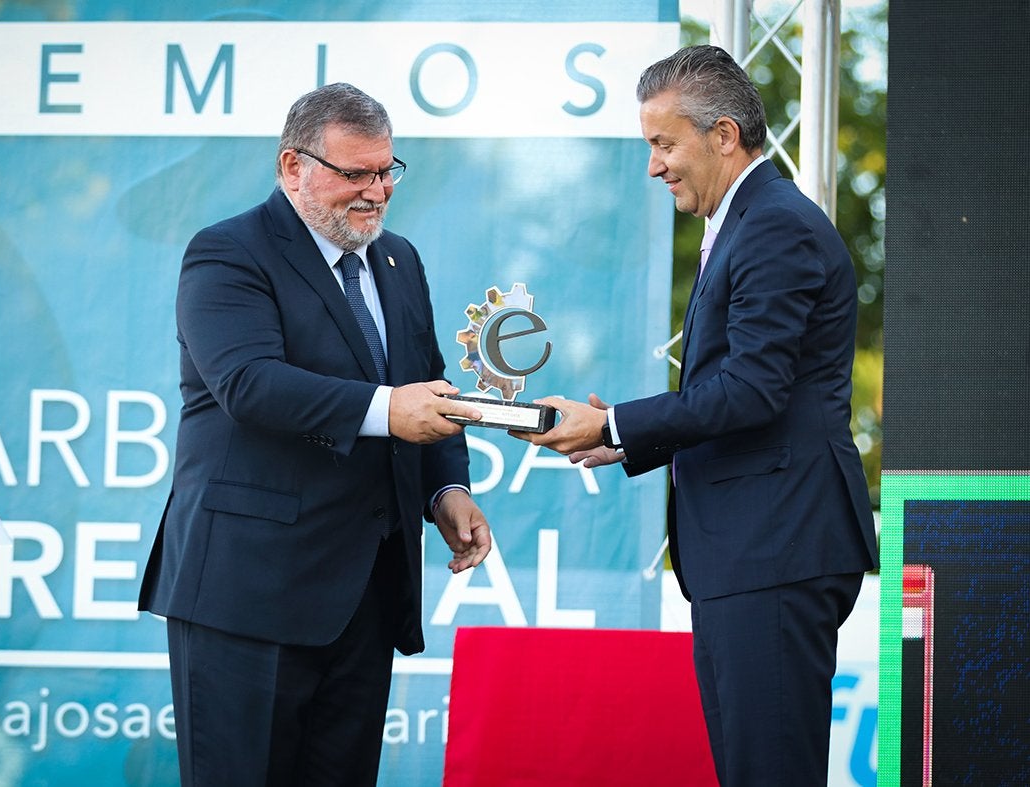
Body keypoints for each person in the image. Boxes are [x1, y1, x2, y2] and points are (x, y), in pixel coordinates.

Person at [515, 46, 879, 785]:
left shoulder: (773, 225)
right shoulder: (748, 221)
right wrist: (620, 435)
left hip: (775, 546)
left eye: (663, 143)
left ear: (722, 136)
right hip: (753, 550)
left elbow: (751, 389)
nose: (653, 166)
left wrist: (615, 425)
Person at [138, 82, 492, 787]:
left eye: (386, 170)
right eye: (353, 173)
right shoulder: (227, 253)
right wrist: (387, 409)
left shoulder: (400, 261)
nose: (375, 192)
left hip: (364, 596)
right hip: (249, 594)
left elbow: (429, 384)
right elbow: (248, 383)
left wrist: (446, 489)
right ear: (291, 167)